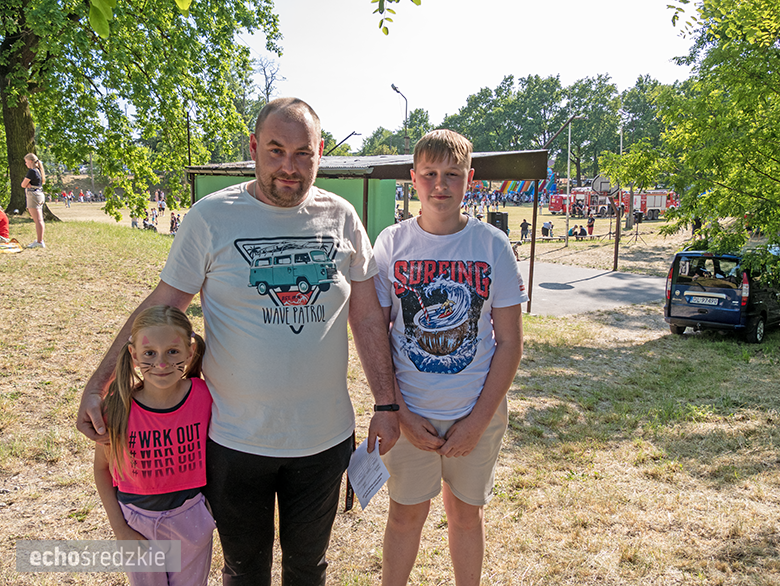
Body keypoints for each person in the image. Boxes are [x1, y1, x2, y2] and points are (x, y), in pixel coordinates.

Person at [77, 97, 399, 586]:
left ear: (320, 153)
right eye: (275, 151)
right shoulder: (211, 217)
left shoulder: (342, 216)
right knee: (244, 570)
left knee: (307, 569)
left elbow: (367, 315)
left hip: (323, 439)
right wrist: (100, 382)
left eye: (303, 154)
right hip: (234, 441)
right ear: (253, 147)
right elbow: (165, 303)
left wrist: (387, 403)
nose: (289, 168)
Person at [373, 130, 526, 586]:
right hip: (409, 412)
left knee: (465, 516)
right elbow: (376, 336)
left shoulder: (492, 245)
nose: (441, 184)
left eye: (452, 175)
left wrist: (477, 421)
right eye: (431, 174)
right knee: (404, 517)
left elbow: (510, 343)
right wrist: (396, 411)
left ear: (470, 179)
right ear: (413, 178)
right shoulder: (391, 244)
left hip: (475, 411)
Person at [93, 305, 213, 586]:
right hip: (136, 522)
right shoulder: (117, 408)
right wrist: (120, 529)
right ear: (133, 355)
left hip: (191, 519)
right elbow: (102, 469)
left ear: (190, 351)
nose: (161, 364)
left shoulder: (205, 397)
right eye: (149, 353)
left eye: (173, 351)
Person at [21, 153, 46, 248]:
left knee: (38, 220)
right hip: (39, 194)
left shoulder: (31, 171)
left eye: (26, 162)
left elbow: (23, 184)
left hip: (33, 195)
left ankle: (39, 241)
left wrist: (26, 184)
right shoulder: (38, 171)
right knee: (40, 220)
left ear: (31, 161)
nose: (25, 164)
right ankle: (40, 240)